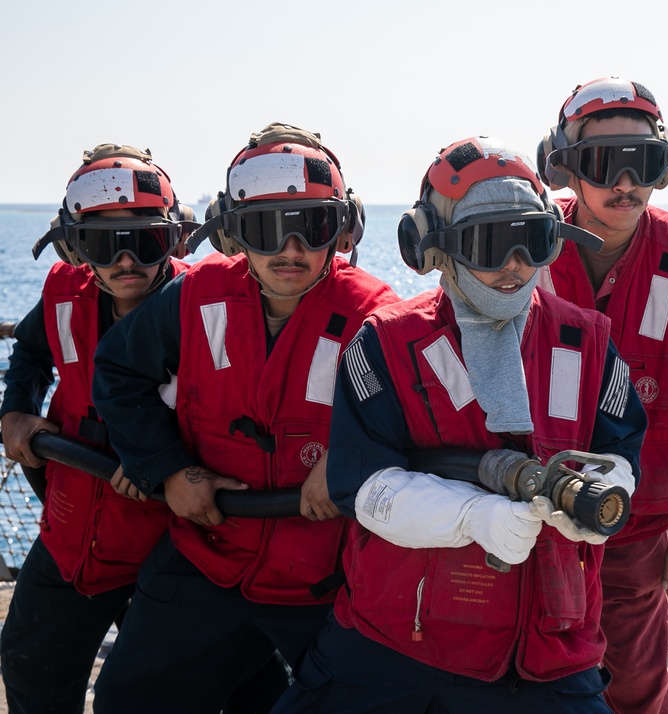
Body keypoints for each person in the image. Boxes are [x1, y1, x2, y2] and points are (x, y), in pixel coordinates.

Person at [271, 136, 648, 713]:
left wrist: (604, 497)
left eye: (532, 242)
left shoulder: (588, 341)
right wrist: (473, 517)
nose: (514, 267)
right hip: (402, 640)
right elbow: (360, 485)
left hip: (548, 649)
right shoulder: (384, 345)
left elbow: (623, 449)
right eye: (490, 245)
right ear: (434, 248)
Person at [88, 123, 399, 713]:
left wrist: (349, 458)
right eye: (265, 229)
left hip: (324, 573)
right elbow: (118, 375)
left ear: (341, 229)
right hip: (205, 554)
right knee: (129, 701)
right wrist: (167, 470)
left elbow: (414, 419)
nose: (290, 250)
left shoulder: (375, 315)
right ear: (234, 232)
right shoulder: (195, 294)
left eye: (311, 227)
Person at [537, 77, 668, 714]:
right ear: (565, 167)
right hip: (531, 517)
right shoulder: (527, 247)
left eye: (642, 164)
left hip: (637, 525)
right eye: (603, 164)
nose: (625, 183)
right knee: (527, 675)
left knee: (639, 688)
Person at [0, 144, 196, 713]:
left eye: (145, 240)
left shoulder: (208, 307)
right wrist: (17, 408)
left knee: (150, 692)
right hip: (70, 535)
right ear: (73, 244)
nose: (125, 261)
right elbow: (32, 352)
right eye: (102, 243)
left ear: (175, 238)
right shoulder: (63, 296)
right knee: (27, 658)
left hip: (172, 549)